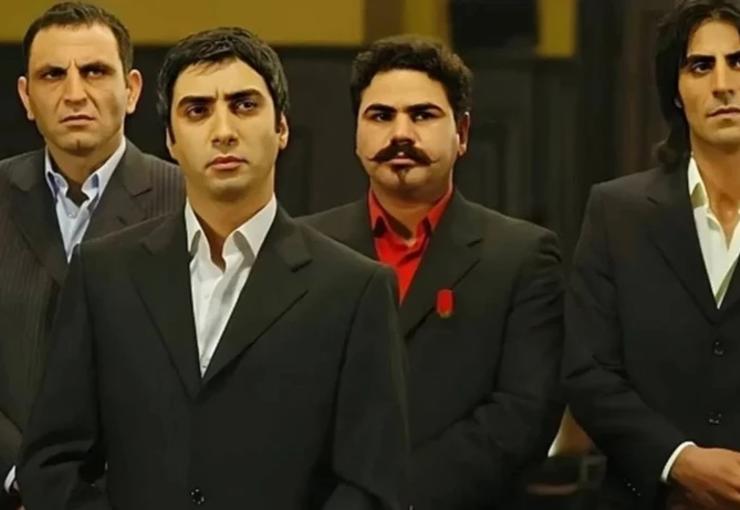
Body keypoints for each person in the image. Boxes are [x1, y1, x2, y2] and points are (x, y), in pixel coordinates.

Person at [17, 26, 407, 510]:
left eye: (244, 105)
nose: (223, 131)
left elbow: (371, 482)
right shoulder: (104, 273)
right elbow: (52, 462)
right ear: (171, 139)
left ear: (282, 128)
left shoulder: (354, 288)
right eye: (197, 110)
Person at [303, 35, 564, 509]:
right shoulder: (304, 249)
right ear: (356, 134)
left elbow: (522, 415)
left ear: (462, 133)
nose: (400, 133)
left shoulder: (523, 257)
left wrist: (390, 499)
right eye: (381, 116)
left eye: (422, 115)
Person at [0, 3, 183, 508]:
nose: (75, 93)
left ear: (132, 90)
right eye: (53, 75)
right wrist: (23, 475)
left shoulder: (189, 201)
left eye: (95, 71)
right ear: (26, 97)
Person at [565, 1, 740, 508]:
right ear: (676, 93)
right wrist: (678, 460)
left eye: (738, 62)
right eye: (700, 66)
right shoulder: (616, 211)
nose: (723, 84)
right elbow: (587, 371)